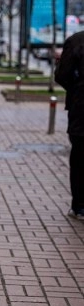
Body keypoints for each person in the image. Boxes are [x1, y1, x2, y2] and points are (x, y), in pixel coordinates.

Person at [55, 30, 84, 220]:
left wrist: (76, 88)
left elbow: (62, 75)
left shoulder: (76, 41)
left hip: (80, 107)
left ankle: (79, 205)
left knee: (80, 157)